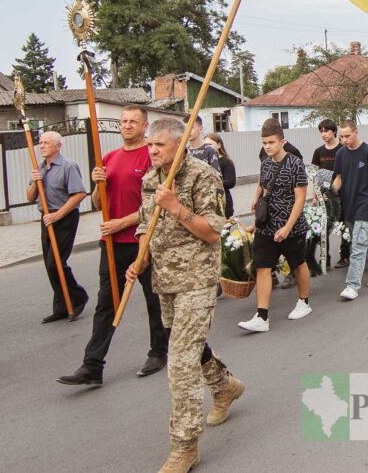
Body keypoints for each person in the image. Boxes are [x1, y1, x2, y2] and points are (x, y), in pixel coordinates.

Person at [124, 117, 243, 472]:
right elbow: (147, 224)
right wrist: (140, 259)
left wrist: (178, 208)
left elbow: (211, 233)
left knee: (179, 361)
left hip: (197, 279)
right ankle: (224, 386)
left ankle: (185, 445)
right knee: (190, 347)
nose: (153, 150)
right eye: (150, 144)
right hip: (166, 280)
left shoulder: (203, 176)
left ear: (181, 144)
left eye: (159, 144)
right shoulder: (151, 179)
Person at [57, 106, 169, 388]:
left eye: (133, 121)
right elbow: (97, 203)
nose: (127, 125)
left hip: (145, 241)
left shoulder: (151, 157)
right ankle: (92, 365)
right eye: (123, 121)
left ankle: (159, 352)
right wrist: (98, 185)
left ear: (145, 126)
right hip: (112, 245)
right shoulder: (109, 158)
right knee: (106, 304)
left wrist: (121, 223)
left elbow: (155, 205)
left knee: (154, 301)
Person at [239, 119, 312, 333]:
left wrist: (288, 227)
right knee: (263, 267)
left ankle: (304, 302)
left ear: (283, 141)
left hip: (292, 225)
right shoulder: (265, 163)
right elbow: (263, 186)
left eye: (271, 142)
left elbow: (300, 199)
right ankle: (262, 316)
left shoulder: (295, 164)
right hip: (267, 225)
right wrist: (256, 210)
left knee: (298, 263)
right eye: (264, 143)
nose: (267, 146)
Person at [26, 130, 89, 323]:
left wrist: (58, 215)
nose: (42, 146)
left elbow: (79, 194)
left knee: (56, 262)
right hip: (47, 218)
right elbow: (30, 197)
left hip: (64, 218)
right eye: (41, 143)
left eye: (46, 143)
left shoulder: (68, 166)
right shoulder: (40, 168)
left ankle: (78, 297)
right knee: (49, 264)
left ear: (58, 146)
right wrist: (36, 182)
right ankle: (61, 307)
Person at [333, 120, 368, 300]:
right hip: (348, 204)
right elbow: (339, 177)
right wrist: (329, 193)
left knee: (357, 245)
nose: (344, 140)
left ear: (356, 132)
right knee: (363, 241)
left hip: (365, 204)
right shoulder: (340, 153)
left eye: (347, 136)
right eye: (341, 137)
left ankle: (352, 285)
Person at [310, 120, 348, 269]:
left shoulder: (342, 149)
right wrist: (314, 196)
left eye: (326, 131)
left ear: (334, 132)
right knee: (324, 228)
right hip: (324, 196)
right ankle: (324, 258)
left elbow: (344, 175)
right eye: (321, 131)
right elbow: (316, 176)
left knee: (343, 226)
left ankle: (345, 256)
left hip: (341, 194)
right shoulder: (318, 152)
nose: (323, 134)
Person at [205, 133, 235, 219]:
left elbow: (231, 182)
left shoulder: (226, 161)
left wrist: (212, 182)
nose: (207, 147)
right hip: (208, 203)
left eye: (210, 144)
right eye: (205, 145)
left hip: (223, 201)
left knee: (223, 231)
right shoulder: (203, 161)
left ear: (219, 145)